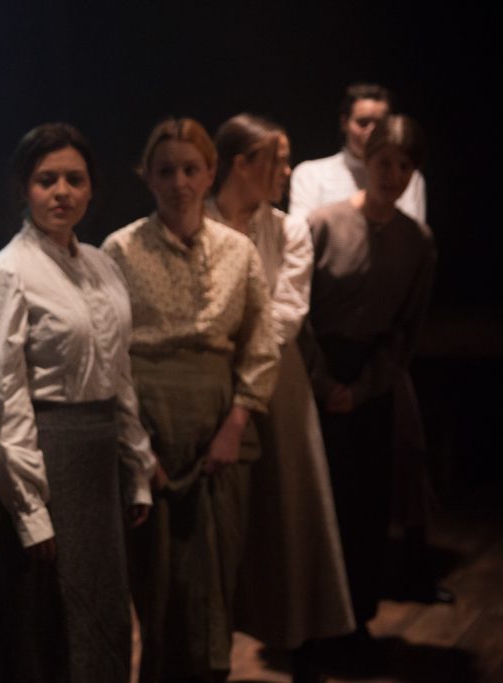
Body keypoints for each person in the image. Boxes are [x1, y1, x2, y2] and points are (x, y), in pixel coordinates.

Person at [102, 118, 279, 683]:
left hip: (218, 426)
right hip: (148, 422)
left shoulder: (237, 251)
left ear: (210, 174)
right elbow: (108, 352)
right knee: (155, 578)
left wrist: (235, 425)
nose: (179, 182)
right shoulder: (120, 249)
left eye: (190, 169)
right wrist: (137, 446)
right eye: (166, 170)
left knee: (215, 571)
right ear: (147, 177)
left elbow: (261, 343)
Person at [0, 123, 155, 682]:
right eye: (47, 180)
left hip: (99, 460)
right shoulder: (5, 272)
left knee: (103, 611)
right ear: (24, 188)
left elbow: (120, 372)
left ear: (91, 188)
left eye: (74, 180)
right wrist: (30, 509)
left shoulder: (103, 264)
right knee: (46, 618)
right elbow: (6, 394)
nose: (62, 192)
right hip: (44, 457)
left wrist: (136, 468)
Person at [206, 114, 355, 682]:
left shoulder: (288, 231)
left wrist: (233, 341)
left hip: (277, 380)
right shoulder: (201, 221)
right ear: (241, 164)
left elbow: (286, 313)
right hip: (211, 377)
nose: (288, 171)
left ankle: (300, 640)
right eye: (278, 159)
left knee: (291, 506)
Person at [304, 115, 435, 645]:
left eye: (405, 166)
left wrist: (360, 389)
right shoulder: (323, 223)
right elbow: (295, 313)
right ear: (366, 160)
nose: (393, 175)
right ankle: (312, 623)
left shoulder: (416, 241)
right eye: (384, 162)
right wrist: (322, 383)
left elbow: (406, 331)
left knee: (368, 502)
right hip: (317, 371)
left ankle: (357, 618)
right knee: (320, 502)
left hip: (371, 381)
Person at [290, 83, 426, 222]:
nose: (372, 131)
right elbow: (301, 231)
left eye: (380, 124)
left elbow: (411, 230)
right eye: (363, 122)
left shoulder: (407, 176)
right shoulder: (311, 174)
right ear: (344, 122)